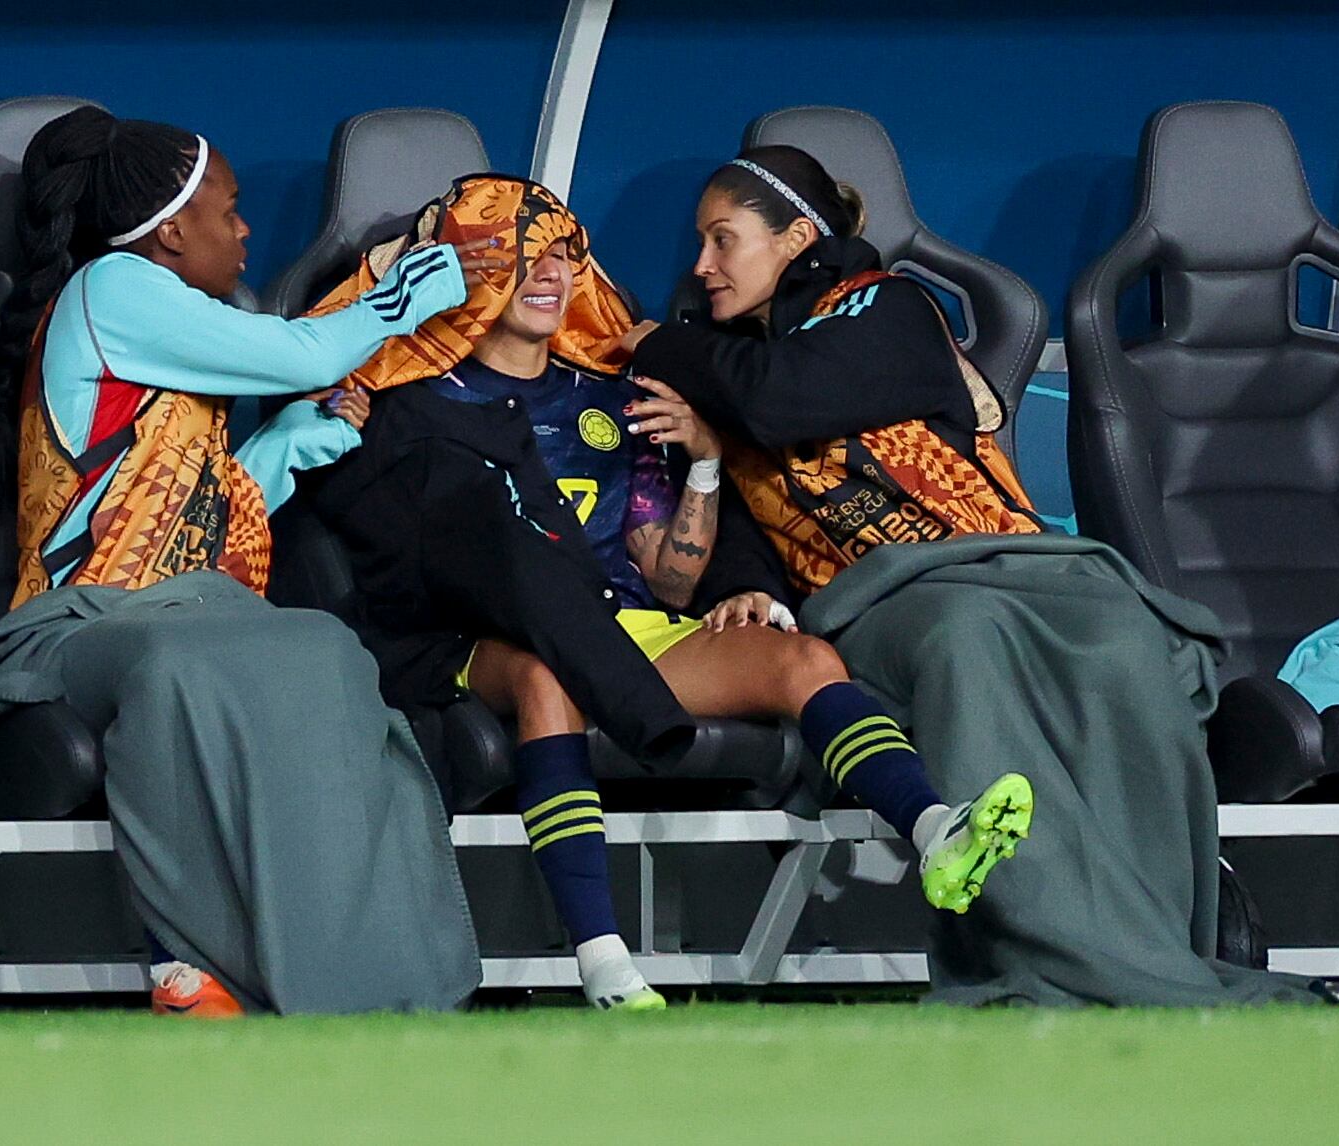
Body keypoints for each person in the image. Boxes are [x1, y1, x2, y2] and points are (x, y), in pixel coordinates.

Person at [301, 176, 1031, 1012]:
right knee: (546, 676)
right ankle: (606, 966)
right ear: (465, 274)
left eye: (566, 255)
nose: (547, 274)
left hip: (622, 630)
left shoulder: (616, 399)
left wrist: (708, 465)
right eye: (517, 256)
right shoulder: (401, 403)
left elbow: (668, 576)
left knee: (801, 657)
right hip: (486, 640)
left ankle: (935, 830)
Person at [616, 144, 1316, 1006]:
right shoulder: (717, 366)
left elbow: (780, 400)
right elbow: (754, 513)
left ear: (796, 238)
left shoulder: (889, 311)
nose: (700, 266)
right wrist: (745, 586)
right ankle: (1055, 954)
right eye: (700, 245)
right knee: (962, 639)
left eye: (723, 240)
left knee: (1121, 635)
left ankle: (1159, 942)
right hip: (889, 598)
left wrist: (664, 344)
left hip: (1014, 561)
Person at [0, 107, 489, 1017]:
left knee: (322, 650)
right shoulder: (113, 287)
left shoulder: (167, 326)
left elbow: (204, 513)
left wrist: (294, 440)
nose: (246, 230)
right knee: (190, 663)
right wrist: (410, 292)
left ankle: (379, 981)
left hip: (193, 608)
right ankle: (193, 966)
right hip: (73, 623)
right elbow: (305, 350)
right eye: (232, 210)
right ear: (173, 230)